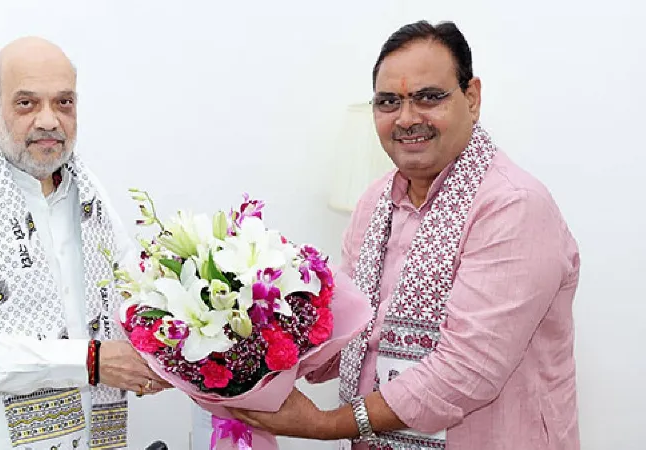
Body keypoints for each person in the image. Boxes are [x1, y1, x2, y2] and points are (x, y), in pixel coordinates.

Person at [230, 20, 581, 450]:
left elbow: (465, 372)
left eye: (429, 97)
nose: (407, 118)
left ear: (472, 99)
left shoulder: (513, 206)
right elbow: (348, 332)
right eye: (389, 102)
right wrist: (238, 348)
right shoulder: (374, 202)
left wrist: (325, 425)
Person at [0, 36, 170, 450]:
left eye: (63, 103)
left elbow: (135, 290)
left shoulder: (88, 194)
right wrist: (91, 362)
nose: (48, 120)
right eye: (27, 103)